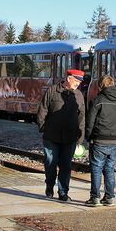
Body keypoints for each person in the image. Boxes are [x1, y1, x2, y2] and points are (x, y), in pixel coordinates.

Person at [35, 68, 85, 202]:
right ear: (69, 78)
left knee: (66, 165)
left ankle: (63, 192)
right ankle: (49, 186)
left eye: (80, 82)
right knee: (50, 163)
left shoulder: (79, 95)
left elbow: (82, 117)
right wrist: (43, 127)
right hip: (51, 136)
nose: (78, 84)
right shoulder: (52, 91)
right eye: (77, 81)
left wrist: (80, 135)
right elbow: (42, 109)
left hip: (70, 137)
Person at [84, 74, 116, 207]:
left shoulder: (98, 101)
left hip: (99, 140)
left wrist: (88, 136)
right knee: (109, 169)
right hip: (114, 141)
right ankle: (109, 197)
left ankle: (94, 197)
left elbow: (90, 121)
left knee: (96, 168)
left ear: (101, 86)